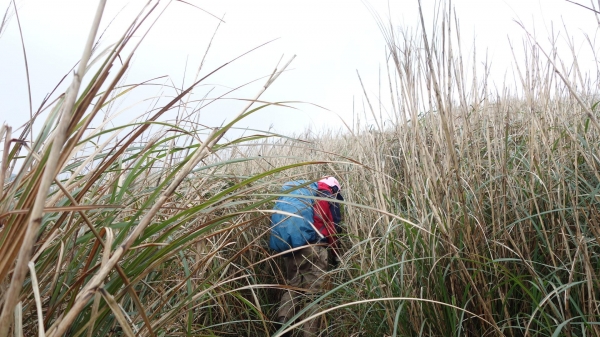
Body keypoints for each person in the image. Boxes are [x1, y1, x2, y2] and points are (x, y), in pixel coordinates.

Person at [275, 176, 344, 337]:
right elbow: (332, 228)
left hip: (293, 246)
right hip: (315, 248)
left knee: (293, 286)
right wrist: (336, 253)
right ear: (334, 188)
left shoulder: (304, 192)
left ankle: (283, 323)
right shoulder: (326, 195)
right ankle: (309, 333)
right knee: (313, 293)